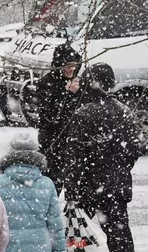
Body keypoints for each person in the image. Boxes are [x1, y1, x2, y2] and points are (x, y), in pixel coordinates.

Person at [56, 63, 141, 252]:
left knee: (76, 229)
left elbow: (73, 155)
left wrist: (71, 188)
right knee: (120, 236)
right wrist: (120, 169)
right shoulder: (124, 111)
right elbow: (134, 148)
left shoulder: (83, 113)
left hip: (87, 184)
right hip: (114, 185)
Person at [35, 43, 84, 180]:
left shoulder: (78, 83)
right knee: (51, 177)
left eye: (74, 66)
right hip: (52, 138)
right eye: (67, 66)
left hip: (72, 138)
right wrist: (67, 94)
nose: (71, 70)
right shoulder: (46, 83)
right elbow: (50, 115)